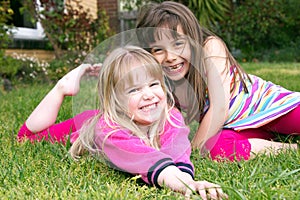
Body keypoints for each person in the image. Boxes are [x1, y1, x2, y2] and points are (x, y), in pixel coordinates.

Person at [18, 46, 227, 199]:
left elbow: (177, 152)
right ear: (115, 100)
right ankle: (62, 86)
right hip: (86, 122)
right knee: (26, 138)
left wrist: (187, 181)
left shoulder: (171, 116)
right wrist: (183, 185)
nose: (148, 95)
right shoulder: (107, 130)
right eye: (134, 89)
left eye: (153, 84)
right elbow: (147, 160)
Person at [135, 1, 300, 161]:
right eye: (158, 50)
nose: (170, 57)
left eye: (178, 44)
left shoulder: (211, 47)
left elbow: (219, 108)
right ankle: (289, 149)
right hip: (240, 126)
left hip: (273, 108)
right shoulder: (161, 79)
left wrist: (192, 150)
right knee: (214, 148)